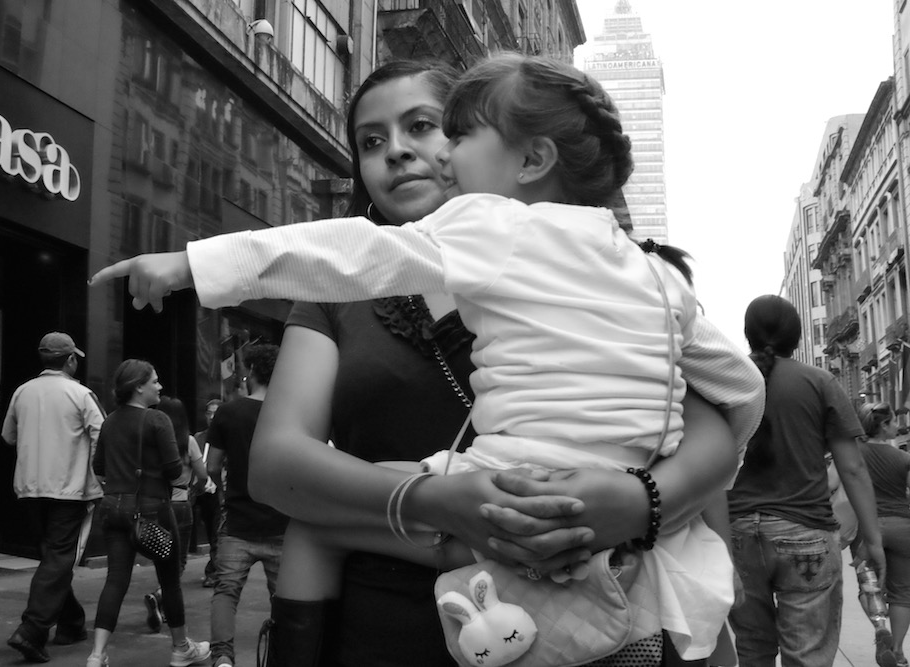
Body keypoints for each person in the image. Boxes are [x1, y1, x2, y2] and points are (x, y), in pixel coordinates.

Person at [91, 58, 758, 667]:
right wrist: (445, 503)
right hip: (411, 619)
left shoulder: (519, 240)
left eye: (433, 128)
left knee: (317, 530)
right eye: (370, 141)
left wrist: (636, 504)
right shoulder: (645, 276)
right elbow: (738, 389)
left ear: (530, 157)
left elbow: (710, 441)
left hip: (578, 562)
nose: (402, 151)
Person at [727, 295, 886, 667]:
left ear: (748, 334)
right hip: (805, 532)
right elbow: (853, 469)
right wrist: (872, 539)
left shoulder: (728, 382)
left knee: (752, 649)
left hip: (737, 535)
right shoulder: (819, 381)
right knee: (807, 655)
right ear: (797, 337)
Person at [85, 359, 210, 667]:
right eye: (154, 381)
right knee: (170, 579)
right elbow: (173, 471)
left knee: (116, 580)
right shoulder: (157, 419)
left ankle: (97, 654)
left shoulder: (110, 421)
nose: (159, 386)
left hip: (114, 509)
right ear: (138, 387)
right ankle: (181, 647)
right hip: (153, 510)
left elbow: (99, 468)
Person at [2, 332, 104, 663]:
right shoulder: (81, 394)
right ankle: (32, 629)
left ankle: (71, 622)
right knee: (59, 558)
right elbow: (101, 436)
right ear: (70, 360)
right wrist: (99, 475)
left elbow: (8, 436)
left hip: (29, 487)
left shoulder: (22, 391)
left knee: (51, 558)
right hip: (69, 488)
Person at [206, 344, 288, 667]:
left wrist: (224, 489)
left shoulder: (228, 412)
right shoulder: (288, 413)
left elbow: (212, 466)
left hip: (238, 521)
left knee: (226, 592)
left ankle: (223, 659)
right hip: (282, 522)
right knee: (284, 598)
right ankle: (284, 654)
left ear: (251, 371)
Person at [143, 396, 208, 632]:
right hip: (181, 503)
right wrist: (196, 489)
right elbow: (203, 474)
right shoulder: (188, 441)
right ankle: (160, 595)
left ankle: (162, 604)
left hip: (156, 504)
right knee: (178, 562)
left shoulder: (151, 439)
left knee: (162, 558)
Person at [856, 401, 910, 667]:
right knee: (902, 593)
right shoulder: (903, 458)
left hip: (869, 527)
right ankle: (898, 652)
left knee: (868, 586)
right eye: (893, 421)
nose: (897, 425)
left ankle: (880, 628)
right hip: (902, 528)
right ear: (884, 425)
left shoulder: (854, 454)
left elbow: (833, 482)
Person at [192, 398, 223, 587]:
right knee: (209, 526)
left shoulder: (226, 436)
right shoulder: (199, 437)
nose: (211, 417)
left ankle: (214, 571)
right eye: (209, 413)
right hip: (202, 490)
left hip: (219, 490)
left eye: (215, 413)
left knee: (217, 532)